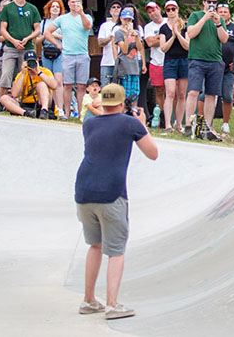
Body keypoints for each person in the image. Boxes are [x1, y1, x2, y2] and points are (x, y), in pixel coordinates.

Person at [75, 83, 158, 321]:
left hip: (83, 191)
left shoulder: (89, 124)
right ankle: (112, 304)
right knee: (116, 250)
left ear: (101, 101)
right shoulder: (130, 123)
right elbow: (153, 153)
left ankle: (89, 300)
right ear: (122, 104)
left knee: (95, 245)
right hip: (111, 193)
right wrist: (142, 125)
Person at [184, 0, 230, 141]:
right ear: (203, 2)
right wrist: (205, 18)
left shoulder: (219, 19)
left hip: (215, 60)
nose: (211, 5)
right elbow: (191, 33)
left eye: (214, 3)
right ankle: (188, 125)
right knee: (193, 92)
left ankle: (208, 126)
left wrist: (217, 23)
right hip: (197, 59)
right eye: (209, 2)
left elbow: (224, 39)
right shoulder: (195, 16)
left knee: (212, 94)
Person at [47, 0, 93, 120]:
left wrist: (81, 13)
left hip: (82, 54)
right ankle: (66, 113)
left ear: (81, 3)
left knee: (82, 85)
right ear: (68, 3)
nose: (74, 4)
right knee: (67, 84)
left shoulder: (87, 17)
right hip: (67, 55)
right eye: (72, 2)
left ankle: (80, 114)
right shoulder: (63, 18)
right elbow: (47, 32)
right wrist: (57, 44)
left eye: (77, 2)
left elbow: (87, 26)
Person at [0, 0, 41, 100]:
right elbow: (2, 29)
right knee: (6, 74)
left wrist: (28, 38)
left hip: (27, 47)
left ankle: (21, 100)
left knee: (25, 74)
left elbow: (37, 29)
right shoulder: (8, 8)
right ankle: (2, 101)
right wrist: (13, 41)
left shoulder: (32, 8)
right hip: (11, 47)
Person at [159, 0, 190, 134]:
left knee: (182, 94)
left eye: (173, 9)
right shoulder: (163, 28)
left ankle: (179, 123)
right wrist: (172, 36)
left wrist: (178, 33)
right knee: (170, 93)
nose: (171, 12)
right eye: (168, 10)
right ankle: (167, 124)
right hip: (170, 61)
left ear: (177, 10)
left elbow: (187, 46)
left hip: (184, 60)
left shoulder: (186, 26)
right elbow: (163, 48)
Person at [0, 51, 59, 119]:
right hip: (25, 104)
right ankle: (25, 113)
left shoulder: (45, 71)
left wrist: (38, 72)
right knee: (4, 98)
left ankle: (44, 111)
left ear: (37, 61)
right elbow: (15, 94)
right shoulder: (22, 74)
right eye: (29, 62)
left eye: (33, 61)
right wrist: (23, 73)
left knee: (41, 84)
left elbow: (54, 86)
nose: (31, 64)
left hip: (41, 102)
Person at [37, 0, 66, 117]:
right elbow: (38, 41)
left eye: (57, 7)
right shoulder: (43, 23)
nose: (55, 8)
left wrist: (54, 35)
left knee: (58, 80)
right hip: (46, 52)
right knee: (47, 79)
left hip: (59, 52)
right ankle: (48, 106)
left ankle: (60, 108)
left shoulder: (63, 22)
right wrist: (46, 35)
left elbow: (67, 38)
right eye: (53, 6)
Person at [217, 3, 234, 134]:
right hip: (213, 66)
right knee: (207, 95)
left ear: (229, 14)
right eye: (220, 11)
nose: (222, 13)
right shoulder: (211, 26)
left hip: (228, 69)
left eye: (225, 12)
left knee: (227, 96)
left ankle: (225, 123)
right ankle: (204, 121)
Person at [112, 6, 146, 105]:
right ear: (121, 19)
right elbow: (125, 50)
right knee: (124, 93)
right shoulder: (118, 32)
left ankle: (133, 112)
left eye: (129, 19)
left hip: (134, 67)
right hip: (124, 67)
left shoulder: (137, 32)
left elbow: (140, 48)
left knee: (135, 93)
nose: (127, 21)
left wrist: (135, 36)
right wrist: (126, 35)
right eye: (125, 19)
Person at [142, 2, 166, 128]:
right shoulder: (148, 27)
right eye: (150, 12)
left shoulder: (169, 21)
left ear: (159, 9)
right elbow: (150, 43)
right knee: (159, 91)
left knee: (173, 92)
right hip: (156, 62)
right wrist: (163, 38)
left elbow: (175, 38)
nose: (152, 14)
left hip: (170, 60)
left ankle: (171, 119)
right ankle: (160, 117)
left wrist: (158, 39)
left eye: (154, 10)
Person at [97, 0, 123, 85]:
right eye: (113, 7)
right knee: (105, 87)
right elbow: (100, 43)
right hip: (107, 62)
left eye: (118, 7)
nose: (116, 9)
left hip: (122, 62)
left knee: (120, 88)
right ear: (110, 11)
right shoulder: (104, 26)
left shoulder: (124, 25)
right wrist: (111, 37)